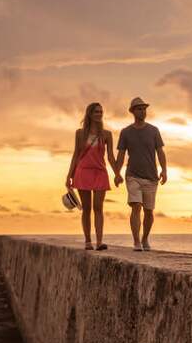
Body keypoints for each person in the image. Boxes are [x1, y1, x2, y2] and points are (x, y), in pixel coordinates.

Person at [113, 97, 167, 251]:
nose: (142, 111)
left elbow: (160, 152)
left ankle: (145, 239)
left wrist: (164, 170)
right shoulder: (126, 132)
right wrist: (117, 173)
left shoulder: (154, 130)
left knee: (149, 211)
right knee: (136, 206)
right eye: (139, 109)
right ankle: (136, 241)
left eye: (144, 109)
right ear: (132, 111)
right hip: (133, 175)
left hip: (151, 177)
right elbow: (121, 155)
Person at [65, 102, 118, 251]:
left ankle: (99, 242)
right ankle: (88, 241)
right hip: (83, 172)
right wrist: (69, 175)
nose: (99, 114)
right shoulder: (80, 133)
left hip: (100, 172)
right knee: (86, 208)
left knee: (98, 208)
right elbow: (76, 155)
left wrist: (117, 173)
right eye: (96, 112)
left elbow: (110, 157)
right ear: (89, 114)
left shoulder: (106, 134)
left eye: (101, 112)